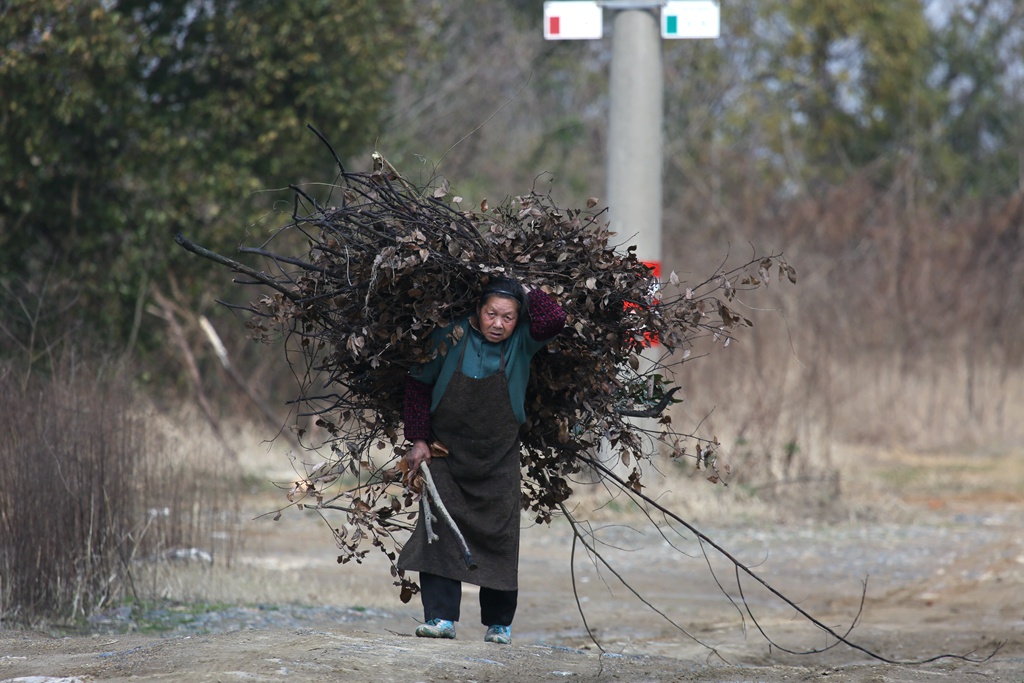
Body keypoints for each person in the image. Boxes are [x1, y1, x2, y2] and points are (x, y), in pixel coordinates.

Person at [397, 276, 566, 644]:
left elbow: (554, 319)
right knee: (437, 533)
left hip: (499, 456)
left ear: (517, 320)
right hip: (447, 454)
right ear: (478, 311)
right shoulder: (451, 336)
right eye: (492, 314)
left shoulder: (522, 341)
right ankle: (441, 618)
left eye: (507, 317)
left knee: (500, 539)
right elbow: (418, 384)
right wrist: (420, 440)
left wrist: (525, 288)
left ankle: (499, 624)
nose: (498, 324)